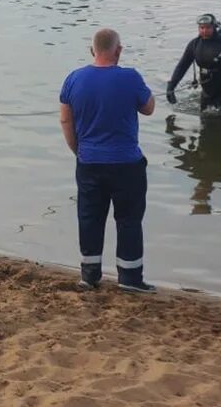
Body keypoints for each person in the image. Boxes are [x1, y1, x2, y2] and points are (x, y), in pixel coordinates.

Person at [59, 28, 156, 293]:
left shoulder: (73, 79)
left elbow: (65, 119)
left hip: (89, 161)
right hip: (126, 163)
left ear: (92, 50)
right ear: (118, 50)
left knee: (90, 217)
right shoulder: (130, 77)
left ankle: (89, 275)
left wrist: (77, 150)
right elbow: (149, 108)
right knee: (128, 219)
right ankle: (130, 277)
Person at [165, 14, 221, 112]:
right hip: (208, 90)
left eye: (208, 28)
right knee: (204, 119)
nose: (204, 31)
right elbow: (182, 66)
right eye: (201, 28)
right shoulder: (195, 44)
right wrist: (171, 87)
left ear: (214, 27)